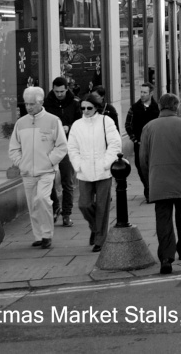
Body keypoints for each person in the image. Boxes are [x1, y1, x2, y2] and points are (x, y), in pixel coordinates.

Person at [139, 93, 181, 275]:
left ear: (160, 106)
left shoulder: (149, 128)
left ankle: (166, 258)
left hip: (158, 181)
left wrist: (149, 178)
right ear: (176, 107)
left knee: (163, 219)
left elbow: (143, 159)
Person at [9, 86, 67, 249]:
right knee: (33, 205)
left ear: (40, 102)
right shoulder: (20, 123)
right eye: (26, 104)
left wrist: (50, 161)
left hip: (46, 171)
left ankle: (47, 234)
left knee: (43, 200)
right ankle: (39, 235)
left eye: (32, 104)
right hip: (27, 172)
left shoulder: (53, 120)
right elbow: (14, 147)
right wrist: (21, 162)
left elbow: (62, 146)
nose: (28, 107)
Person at [67, 92, 121, 252]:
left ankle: (99, 240)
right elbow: (72, 148)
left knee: (102, 207)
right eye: (82, 108)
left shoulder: (106, 121)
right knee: (84, 204)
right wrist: (78, 165)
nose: (85, 111)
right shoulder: (77, 125)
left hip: (103, 171)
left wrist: (106, 163)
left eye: (89, 107)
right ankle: (96, 229)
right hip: (84, 172)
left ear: (96, 107)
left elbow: (115, 144)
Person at [44, 77, 81, 227]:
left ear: (67, 89)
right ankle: (55, 207)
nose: (59, 94)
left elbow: (80, 123)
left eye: (62, 91)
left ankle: (67, 213)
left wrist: (69, 127)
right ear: (53, 89)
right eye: (56, 91)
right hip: (50, 146)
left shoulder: (74, 103)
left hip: (67, 145)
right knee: (49, 180)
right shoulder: (46, 104)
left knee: (67, 181)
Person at [125, 82, 160, 203]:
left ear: (151, 93)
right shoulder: (134, 108)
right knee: (140, 167)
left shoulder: (157, 108)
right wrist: (135, 139)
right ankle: (147, 187)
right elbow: (128, 125)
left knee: (153, 167)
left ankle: (152, 190)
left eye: (145, 92)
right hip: (139, 144)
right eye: (141, 92)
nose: (142, 94)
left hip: (154, 144)